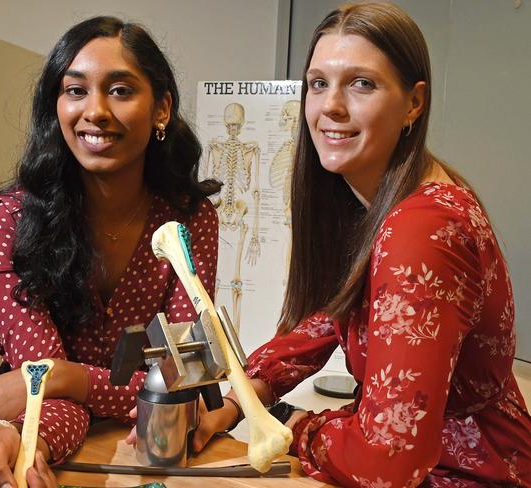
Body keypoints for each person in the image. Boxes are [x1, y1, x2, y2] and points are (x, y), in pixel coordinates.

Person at [194, 3, 531, 486]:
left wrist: (303, 429)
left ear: (414, 103)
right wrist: (236, 402)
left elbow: (387, 460)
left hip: (467, 472)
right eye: (317, 83)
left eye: (361, 83)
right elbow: (330, 317)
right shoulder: (389, 200)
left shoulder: (420, 230)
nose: (330, 105)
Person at [0, 15, 220, 488]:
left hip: (152, 449)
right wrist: (26, 438)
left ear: (162, 109)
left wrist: (58, 377)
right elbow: (43, 388)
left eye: (120, 90)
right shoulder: (0, 223)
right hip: (46, 427)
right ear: (55, 106)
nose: (94, 110)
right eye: (75, 90)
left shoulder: (190, 220)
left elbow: (183, 386)